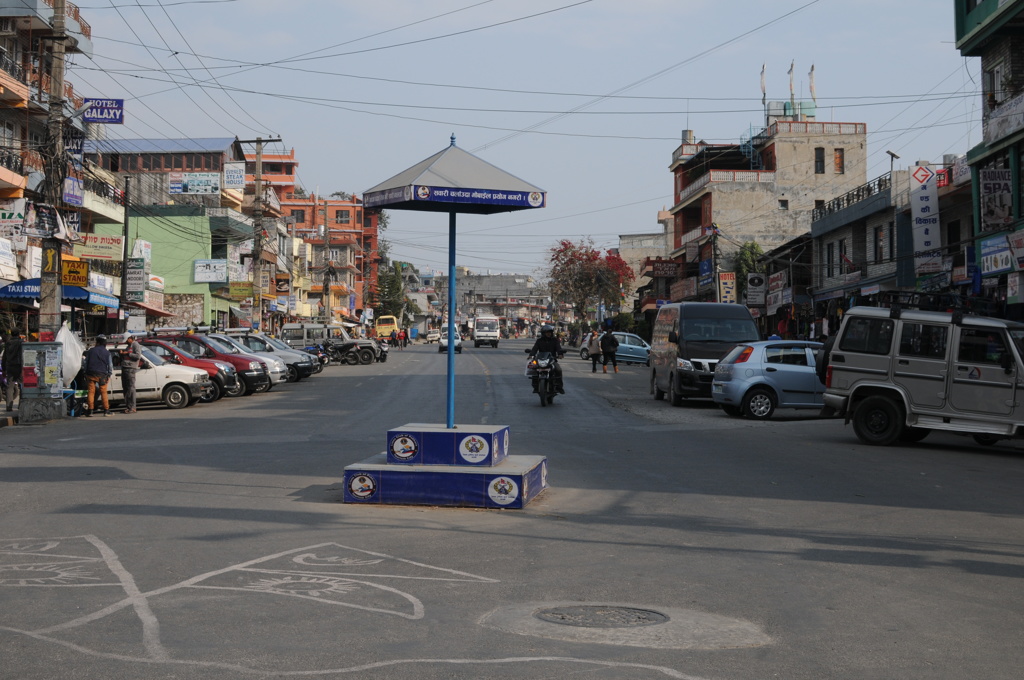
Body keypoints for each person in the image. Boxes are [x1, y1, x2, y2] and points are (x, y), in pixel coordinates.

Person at [83, 335, 114, 417]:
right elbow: (110, 365)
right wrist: (109, 374)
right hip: (102, 375)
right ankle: (106, 410)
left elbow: (85, 363)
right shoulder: (107, 352)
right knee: (103, 392)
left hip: (91, 374)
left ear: (98, 342)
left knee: (91, 392)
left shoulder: (91, 351)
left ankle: (90, 411)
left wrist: (85, 372)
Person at [528, 325, 565, 393]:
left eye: (550, 332)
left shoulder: (555, 340)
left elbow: (558, 348)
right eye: (547, 332)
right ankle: (535, 386)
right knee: (533, 369)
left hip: (551, 360)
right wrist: (531, 355)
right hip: (541, 359)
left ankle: (559, 387)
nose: (548, 333)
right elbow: (535, 349)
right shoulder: (539, 341)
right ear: (543, 333)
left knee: (558, 370)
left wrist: (560, 354)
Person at [120, 336, 143, 414]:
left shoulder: (135, 345)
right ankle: (128, 407)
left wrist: (128, 353)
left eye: (127, 340)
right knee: (126, 388)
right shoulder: (128, 346)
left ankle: (132, 407)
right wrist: (122, 354)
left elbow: (137, 356)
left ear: (130, 338)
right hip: (125, 367)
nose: (126, 341)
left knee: (130, 388)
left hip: (131, 368)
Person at [2, 327, 23, 412]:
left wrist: (4, 369)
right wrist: (22, 369)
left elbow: (4, 357)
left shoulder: (8, 343)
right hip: (18, 366)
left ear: (11, 334)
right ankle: (20, 406)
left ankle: (8, 406)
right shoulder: (21, 343)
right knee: (22, 387)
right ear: (18, 334)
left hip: (9, 366)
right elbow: (22, 356)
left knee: (9, 387)